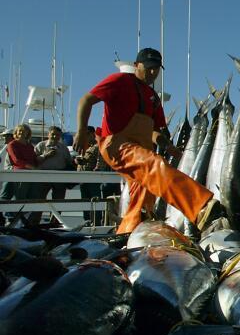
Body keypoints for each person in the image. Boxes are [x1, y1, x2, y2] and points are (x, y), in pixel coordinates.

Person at [73, 48, 222, 234]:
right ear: (137, 65)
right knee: (155, 164)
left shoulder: (153, 98)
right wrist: (80, 131)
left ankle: (129, 233)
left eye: (157, 68)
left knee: (143, 196)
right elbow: (85, 101)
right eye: (149, 67)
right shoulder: (119, 81)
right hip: (117, 146)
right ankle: (201, 207)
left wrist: (168, 146)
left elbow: (153, 132)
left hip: (140, 150)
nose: (153, 72)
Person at [7, 124, 52, 225]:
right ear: (16, 133)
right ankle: (13, 222)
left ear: (28, 133)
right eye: (19, 131)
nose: (21, 133)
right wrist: (32, 167)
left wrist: (45, 157)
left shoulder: (29, 146)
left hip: (32, 175)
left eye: (24, 131)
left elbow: (34, 159)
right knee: (19, 198)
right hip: (20, 175)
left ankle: (25, 222)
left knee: (32, 197)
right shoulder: (12, 144)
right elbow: (16, 160)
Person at [76, 125, 104, 224]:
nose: (85, 137)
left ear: (93, 134)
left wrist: (96, 170)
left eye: (87, 134)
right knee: (85, 202)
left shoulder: (98, 146)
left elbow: (100, 162)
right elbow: (86, 161)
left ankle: (96, 223)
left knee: (94, 202)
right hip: (83, 179)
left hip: (92, 180)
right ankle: (87, 222)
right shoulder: (87, 147)